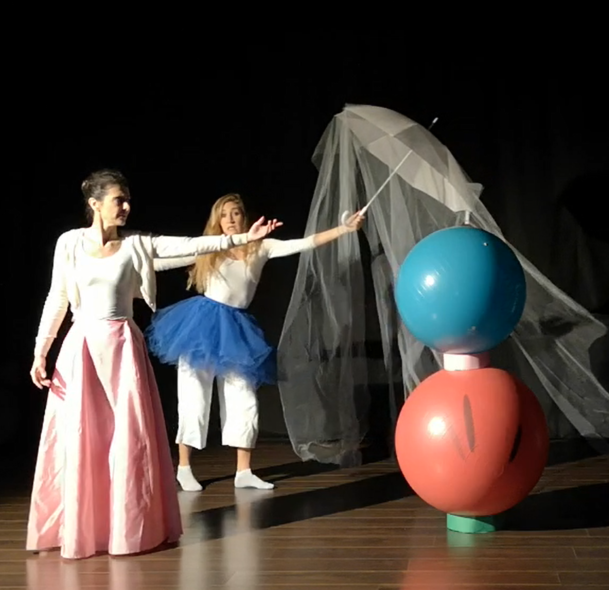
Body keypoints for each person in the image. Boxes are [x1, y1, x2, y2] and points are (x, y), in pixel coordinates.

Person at [28, 169, 282, 560]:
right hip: (82, 347)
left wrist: (241, 238)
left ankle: (128, 528)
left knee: (128, 437)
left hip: (121, 346)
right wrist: (41, 350)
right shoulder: (70, 243)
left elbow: (192, 245)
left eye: (128, 199)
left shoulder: (137, 245)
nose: (126, 207)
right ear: (95, 204)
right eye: (119, 200)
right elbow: (57, 296)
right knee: (81, 436)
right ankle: (81, 527)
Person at [145, 193, 365, 492]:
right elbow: (160, 262)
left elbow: (305, 243)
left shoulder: (260, 247)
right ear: (217, 221)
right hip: (200, 327)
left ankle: (244, 471)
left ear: (244, 216)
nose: (230, 219)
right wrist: (126, 257)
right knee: (194, 398)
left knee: (244, 400)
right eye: (224, 215)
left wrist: (345, 228)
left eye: (235, 213)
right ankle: (184, 468)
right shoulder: (210, 248)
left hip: (236, 330)